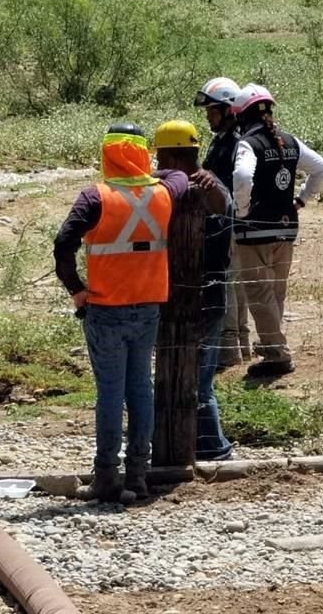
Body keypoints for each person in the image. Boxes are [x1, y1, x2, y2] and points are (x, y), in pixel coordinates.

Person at [53, 123, 225, 502]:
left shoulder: (94, 198)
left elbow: (63, 244)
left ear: (107, 153)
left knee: (110, 393)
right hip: (148, 306)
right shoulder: (164, 192)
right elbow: (181, 174)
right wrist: (155, 174)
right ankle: (138, 476)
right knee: (141, 390)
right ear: (143, 152)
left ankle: (106, 477)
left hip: (105, 308)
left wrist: (77, 291)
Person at [230, 84, 323, 377]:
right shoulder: (289, 141)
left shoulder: (248, 143)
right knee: (275, 292)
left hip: (254, 232)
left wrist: (243, 210)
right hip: (286, 229)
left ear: (242, 116)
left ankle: (277, 354)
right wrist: (301, 199)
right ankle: (272, 348)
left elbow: (242, 176)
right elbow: (322, 168)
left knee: (259, 294)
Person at [152, 120, 234, 461]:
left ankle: (212, 449)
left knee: (196, 380)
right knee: (192, 376)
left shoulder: (202, 188)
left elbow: (218, 205)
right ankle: (187, 445)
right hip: (206, 296)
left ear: (171, 155)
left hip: (194, 296)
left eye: (160, 158)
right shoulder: (207, 183)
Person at [194, 77, 251, 368]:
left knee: (229, 282)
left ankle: (229, 348)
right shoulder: (226, 139)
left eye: (212, 111)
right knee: (236, 281)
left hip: (228, 221)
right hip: (232, 220)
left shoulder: (236, 142)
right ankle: (241, 345)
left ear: (229, 110)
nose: (208, 117)